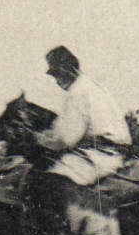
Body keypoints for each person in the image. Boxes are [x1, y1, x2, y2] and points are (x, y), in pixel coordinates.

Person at [35, 45, 132, 185]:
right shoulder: (93, 86)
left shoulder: (77, 92)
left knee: (50, 183)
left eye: (56, 74)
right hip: (116, 153)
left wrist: (40, 139)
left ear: (65, 70)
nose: (56, 80)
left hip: (97, 156)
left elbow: (65, 139)